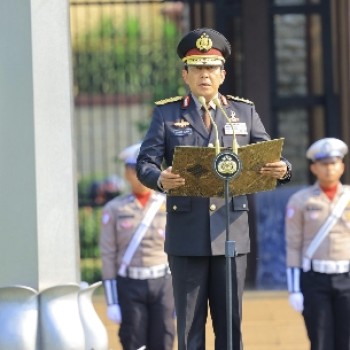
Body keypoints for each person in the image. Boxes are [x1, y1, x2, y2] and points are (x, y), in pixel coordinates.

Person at [136, 28, 292, 350]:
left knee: (230, 326)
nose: (204, 75)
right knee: (190, 327)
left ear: (222, 74)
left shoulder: (242, 111)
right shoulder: (167, 114)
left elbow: (267, 156)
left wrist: (284, 169)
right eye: (197, 68)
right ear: (185, 74)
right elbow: (145, 164)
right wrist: (160, 179)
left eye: (211, 68)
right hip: (187, 235)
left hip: (231, 232)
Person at [99, 143, 175, 350]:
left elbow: (179, 249)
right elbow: (108, 254)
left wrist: (179, 293)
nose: (139, 175)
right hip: (130, 283)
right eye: (134, 169)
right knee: (133, 341)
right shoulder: (114, 209)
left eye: (145, 169)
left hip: (163, 282)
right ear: (126, 173)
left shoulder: (169, 204)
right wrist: (112, 301)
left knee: (164, 341)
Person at [285, 137, 350, 350]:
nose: (329, 169)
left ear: (342, 166)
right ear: (314, 168)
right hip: (314, 279)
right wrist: (294, 289)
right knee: (320, 340)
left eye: (334, 163)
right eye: (324, 164)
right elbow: (293, 245)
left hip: (347, 276)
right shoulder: (301, 200)